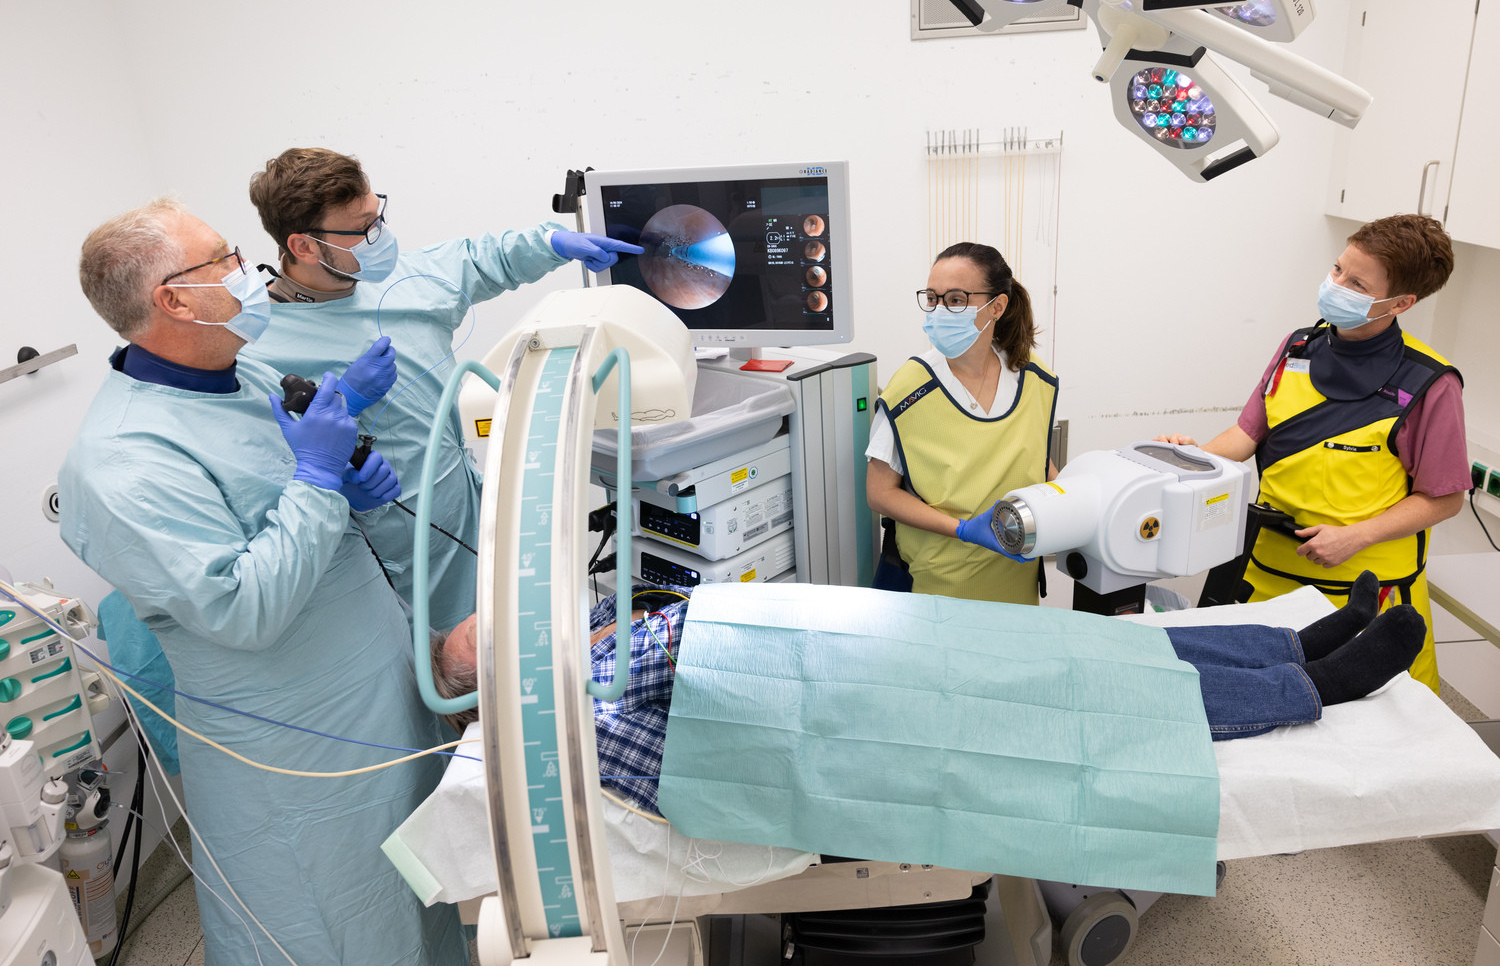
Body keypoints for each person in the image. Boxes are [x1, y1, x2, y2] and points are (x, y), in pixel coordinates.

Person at [59, 199, 465, 966]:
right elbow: (245, 611)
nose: (251, 272)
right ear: (173, 300)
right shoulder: (121, 462)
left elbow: (275, 494)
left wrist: (346, 472)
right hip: (297, 753)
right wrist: (319, 481)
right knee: (336, 925)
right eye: (225, 260)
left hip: (375, 693)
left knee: (420, 899)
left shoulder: (239, 368)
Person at [431, 574, 1425, 818]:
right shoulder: (579, 721)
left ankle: (1286, 639)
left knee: (1078, 645)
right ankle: (1315, 684)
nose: (562, 626)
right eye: (521, 637)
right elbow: (686, 668)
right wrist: (613, 641)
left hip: (867, 659)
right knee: (1076, 692)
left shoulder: (591, 660)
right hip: (867, 723)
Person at [246, 147, 643, 633]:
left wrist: (553, 242)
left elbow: (483, 258)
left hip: (470, 510)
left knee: (512, 635)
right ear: (304, 247)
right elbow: (265, 464)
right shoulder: (261, 345)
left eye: (379, 216)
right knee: (442, 673)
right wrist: (347, 401)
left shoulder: (406, 280)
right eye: (362, 228)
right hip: (394, 549)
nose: (380, 237)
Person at [1157, 215, 1469, 693]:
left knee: (1364, 731)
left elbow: (1444, 498)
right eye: (1338, 269)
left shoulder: (1429, 382)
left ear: (1402, 302)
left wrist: (1354, 536)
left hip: (1364, 592)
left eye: (1357, 282)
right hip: (1265, 575)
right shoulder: (1299, 346)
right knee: (1249, 702)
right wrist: (1194, 458)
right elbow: (1246, 435)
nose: (1336, 285)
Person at [866, 242, 1059, 604]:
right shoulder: (910, 389)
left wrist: (1074, 504)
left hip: (1016, 578)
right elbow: (879, 493)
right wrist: (964, 530)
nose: (939, 311)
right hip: (938, 586)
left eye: (955, 300)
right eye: (933, 298)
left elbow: (1038, 461)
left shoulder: (1033, 378)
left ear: (997, 306)